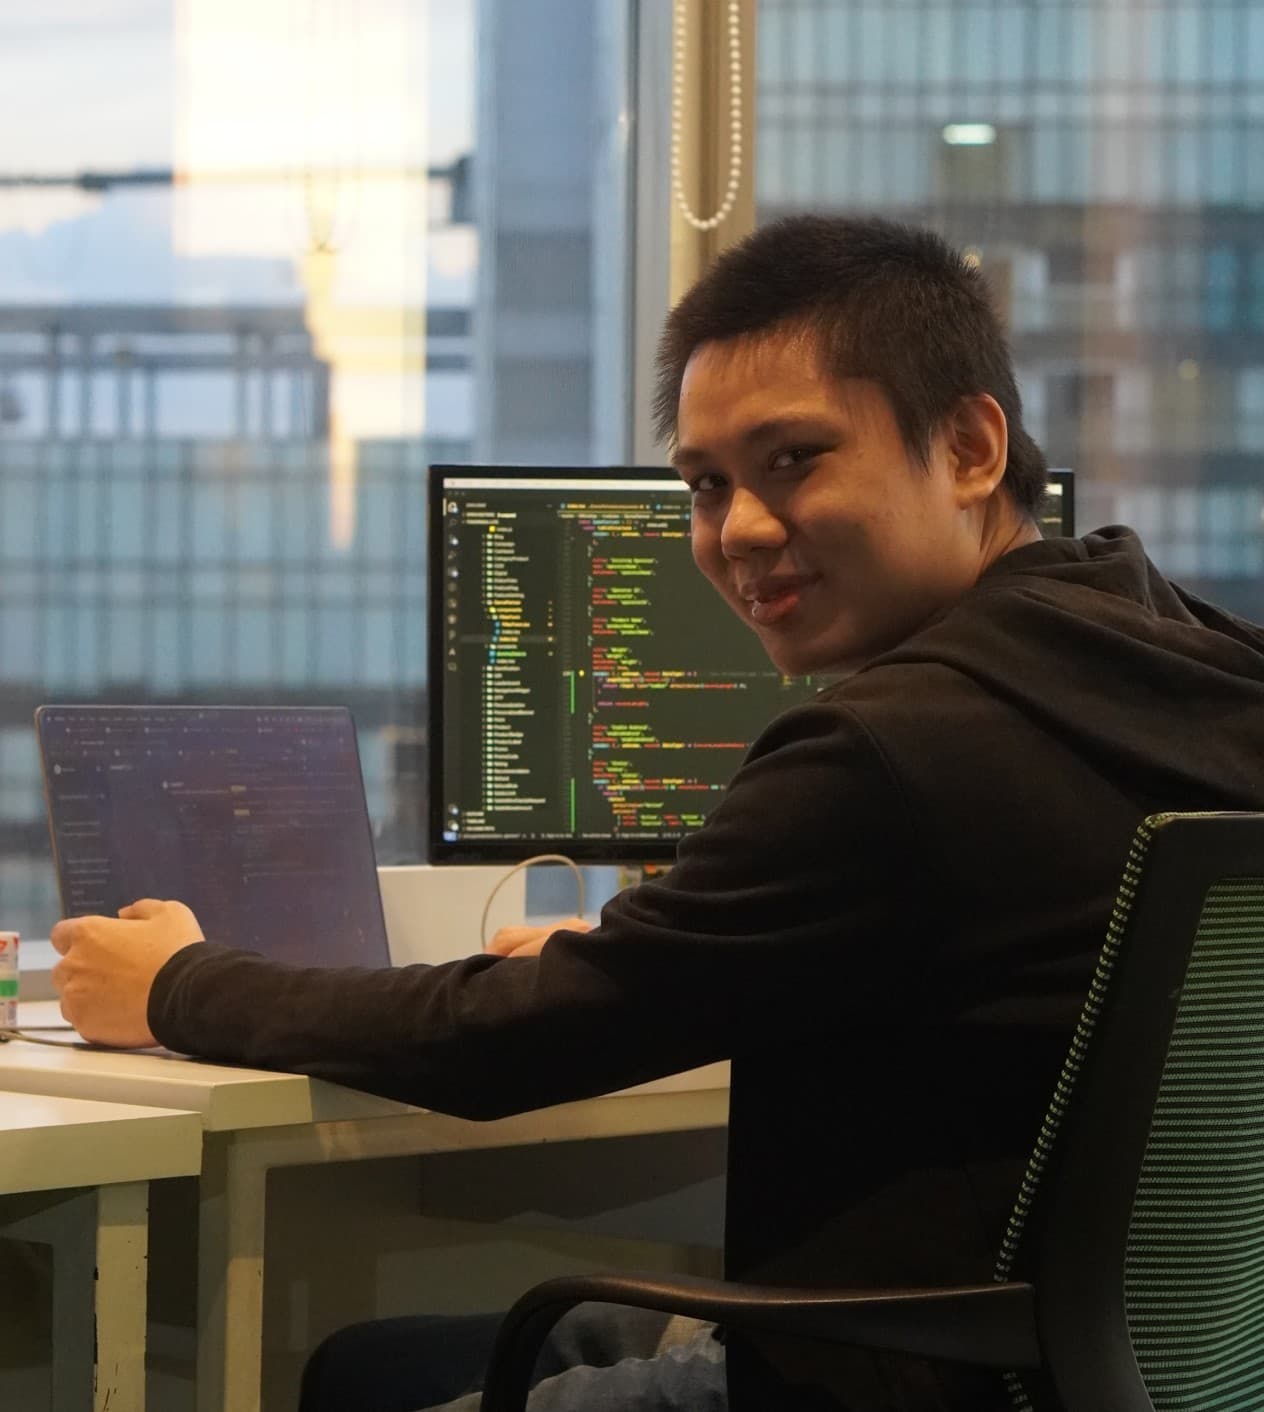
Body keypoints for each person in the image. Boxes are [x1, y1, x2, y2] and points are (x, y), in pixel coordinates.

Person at [52, 215, 1264, 1412]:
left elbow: (499, 1047)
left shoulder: (889, 748)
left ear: (967, 446)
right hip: (1124, 1354)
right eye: (703, 483)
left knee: (364, 1374)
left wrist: (178, 981)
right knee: (381, 1359)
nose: (736, 529)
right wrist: (649, 955)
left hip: (904, 1364)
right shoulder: (1198, 666)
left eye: (794, 459)